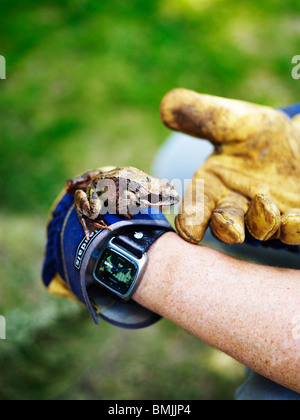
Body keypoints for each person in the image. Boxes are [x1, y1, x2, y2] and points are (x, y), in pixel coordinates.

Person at [42, 91, 300, 400]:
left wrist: (162, 271)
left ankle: (258, 361)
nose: (166, 200)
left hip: (120, 195)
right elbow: (112, 192)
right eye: (159, 197)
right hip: (106, 191)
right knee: (180, 160)